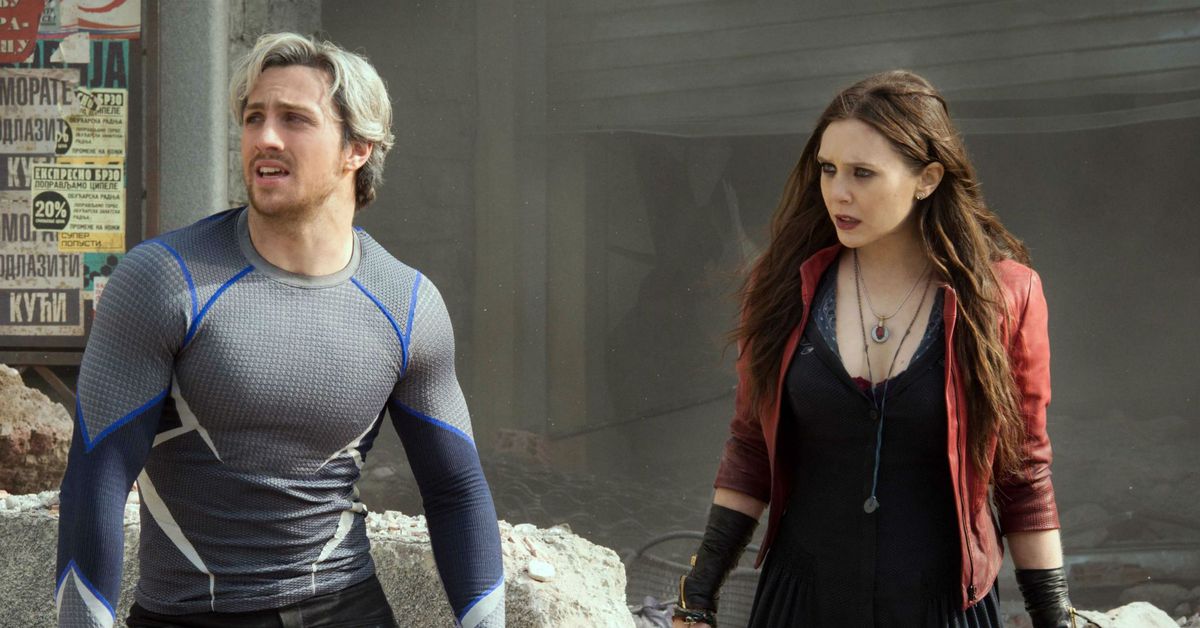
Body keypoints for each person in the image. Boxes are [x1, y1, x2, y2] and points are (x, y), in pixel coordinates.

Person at [55, 33, 505, 628]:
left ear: (357, 148)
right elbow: (96, 481)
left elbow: (456, 492)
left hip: (348, 607)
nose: (264, 137)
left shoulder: (406, 303)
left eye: (294, 119)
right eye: (253, 118)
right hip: (193, 615)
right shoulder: (164, 281)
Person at [673, 71, 1076, 628]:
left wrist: (1054, 617)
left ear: (927, 179)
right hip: (801, 604)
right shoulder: (786, 286)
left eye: (863, 173)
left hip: (942, 609)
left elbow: (1022, 474)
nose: (838, 192)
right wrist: (697, 598)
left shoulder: (1002, 297)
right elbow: (750, 449)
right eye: (828, 169)